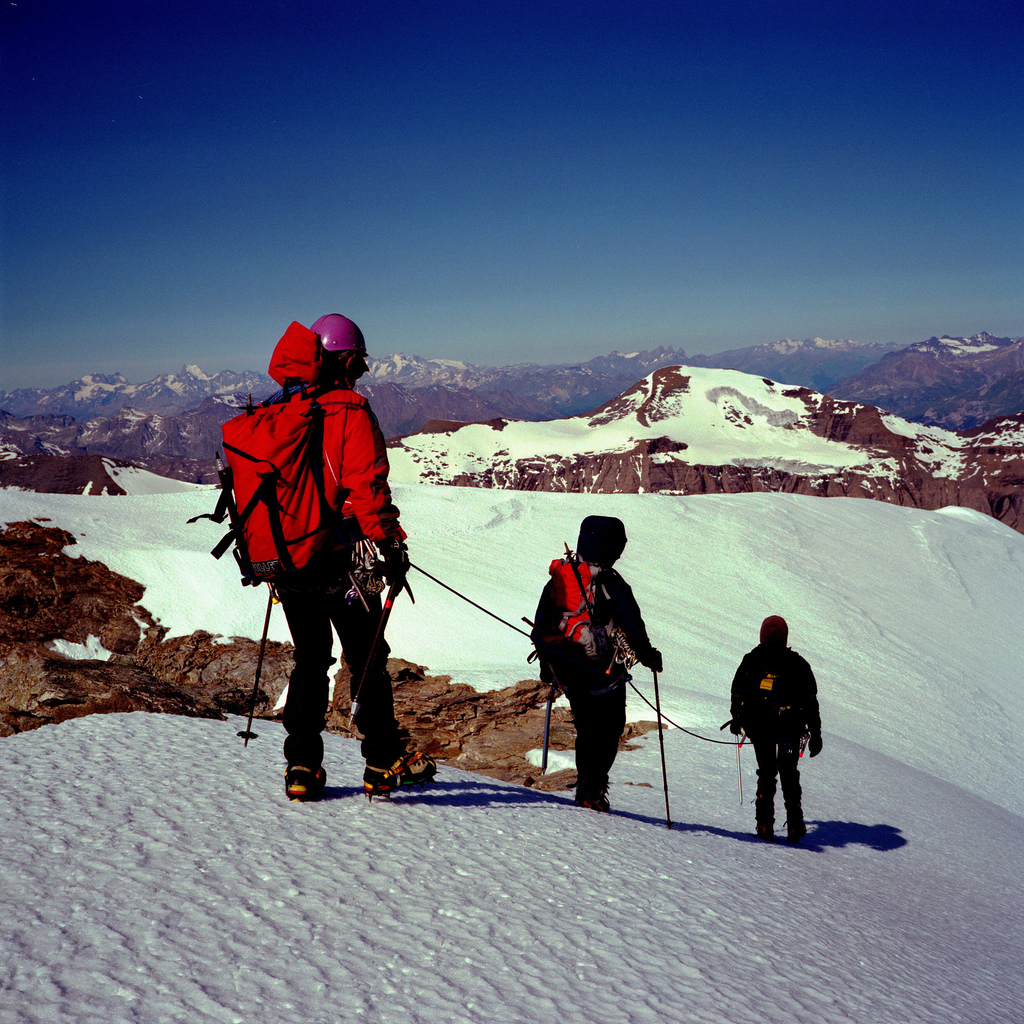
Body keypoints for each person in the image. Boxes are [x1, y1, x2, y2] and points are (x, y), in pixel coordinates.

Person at [270, 313, 435, 801]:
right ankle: (383, 764)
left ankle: (301, 766)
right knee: (367, 660)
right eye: (359, 364)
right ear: (345, 362)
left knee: (310, 660)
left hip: (289, 560)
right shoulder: (351, 411)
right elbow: (367, 489)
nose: (361, 374)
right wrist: (390, 546)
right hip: (345, 560)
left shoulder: (282, 411)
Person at [531, 515, 662, 813]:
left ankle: (586, 787)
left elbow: (542, 625)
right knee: (610, 728)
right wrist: (647, 654)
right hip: (604, 672)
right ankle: (593, 786)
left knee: (588, 729)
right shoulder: (611, 583)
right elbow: (631, 624)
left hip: (568, 668)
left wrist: (548, 669)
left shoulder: (560, 579)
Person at [728, 615, 822, 843]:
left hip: (760, 728)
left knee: (767, 773)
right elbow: (810, 700)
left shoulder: (752, 659)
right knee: (789, 774)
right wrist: (816, 733)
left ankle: (764, 824)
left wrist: (737, 719)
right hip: (790, 727)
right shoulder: (797, 663)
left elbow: (738, 692)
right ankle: (795, 825)